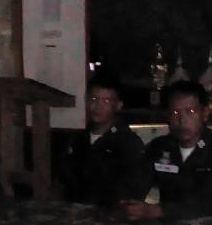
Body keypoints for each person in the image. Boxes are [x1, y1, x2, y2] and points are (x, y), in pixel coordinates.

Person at [121, 80, 212, 221]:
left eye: (191, 112)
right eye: (175, 112)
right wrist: (131, 206)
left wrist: (158, 211)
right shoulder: (158, 147)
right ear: (167, 116)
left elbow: (211, 203)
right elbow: (137, 185)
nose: (182, 120)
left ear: (205, 113)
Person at [60, 69, 150, 208]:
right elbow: (63, 181)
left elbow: (134, 191)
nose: (98, 106)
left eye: (106, 101)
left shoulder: (129, 143)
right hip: (73, 212)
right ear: (86, 100)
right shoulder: (76, 138)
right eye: (94, 99)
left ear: (118, 105)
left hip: (110, 214)